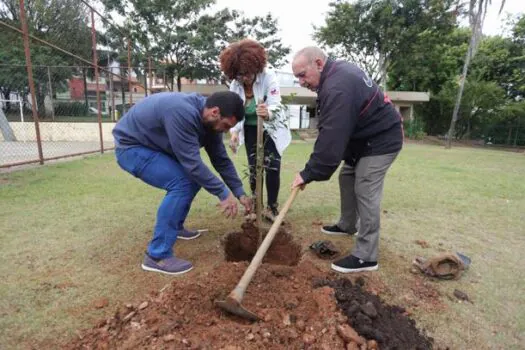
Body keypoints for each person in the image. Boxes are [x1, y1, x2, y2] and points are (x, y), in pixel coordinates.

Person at [112, 91, 252, 276]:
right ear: (215, 112)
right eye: (225, 126)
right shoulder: (181, 112)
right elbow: (192, 164)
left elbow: (221, 160)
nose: (225, 131)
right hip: (132, 147)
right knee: (183, 183)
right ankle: (157, 256)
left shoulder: (211, 124)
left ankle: (175, 227)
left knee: (192, 181)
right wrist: (223, 194)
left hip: (155, 147)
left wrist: (239, 192)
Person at [291, 47, 403, 273]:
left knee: (365, 187)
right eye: (297, 78)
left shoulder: (338, 87)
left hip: (382, 139)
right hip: (362, 140)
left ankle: (366, 256)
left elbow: (331, 137)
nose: (301, 82)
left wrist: (308, 173)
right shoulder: (335, 76)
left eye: (302, 75)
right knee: (347, 175)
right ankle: (347, 224)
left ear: (319, 64)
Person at [219, 39, 292, 222]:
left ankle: (271, 208)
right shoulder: (236, 84)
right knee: (254, 168)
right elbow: (235, 111)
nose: (244, 78)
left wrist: (268, 112)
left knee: (272, 167)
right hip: (251, 130)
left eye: (246, 73)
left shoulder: (269, 76)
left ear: (255, 66)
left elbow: (276, 104)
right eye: (239, 75)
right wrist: (234, 132)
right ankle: (255, 206)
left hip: (270, 128)